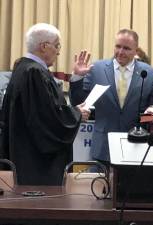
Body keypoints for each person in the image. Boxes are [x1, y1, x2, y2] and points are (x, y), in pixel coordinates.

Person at [0, 23, 90, 185]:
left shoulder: (23, 67)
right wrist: (77, 113)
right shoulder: (34, 73)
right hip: (36, 163)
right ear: (44, 46)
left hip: (23, 155)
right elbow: (47, 118)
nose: (59, 51)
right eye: (57, 46)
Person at [69, 29, 153, 167]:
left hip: (135, 144)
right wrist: (77, 77)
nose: (121, 52)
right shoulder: (96, 69)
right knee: (99, 187)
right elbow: (78, 102)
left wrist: (152, 112)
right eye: (118, 46)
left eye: (127, 48)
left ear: (136, 50)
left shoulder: (149, 73)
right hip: (102, 147)